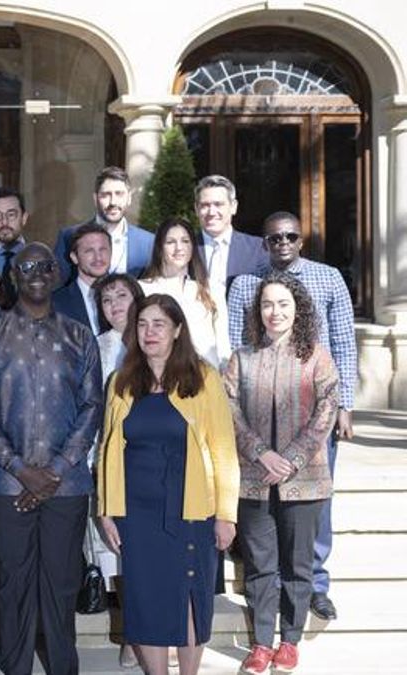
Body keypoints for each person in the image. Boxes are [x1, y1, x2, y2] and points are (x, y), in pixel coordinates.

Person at [0, 243, 103, 675]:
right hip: (6, 485)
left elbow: (92, 407)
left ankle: (63, 667)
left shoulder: (80, 335)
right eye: (26, 267)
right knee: (12, 587)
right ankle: (16, 666)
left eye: (45, 266)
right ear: (13, 277)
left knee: (62, 585)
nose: (37, 273)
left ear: (58, 272)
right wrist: (22, 470)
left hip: (67, 486)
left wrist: (55, 471)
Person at [97, 294, 240, 675]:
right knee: (145, 599)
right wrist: (108, 510)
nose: (149, 332)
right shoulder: (121, 381)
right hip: (137, 512)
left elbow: (224, 449)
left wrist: (226, 515)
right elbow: (108, 449)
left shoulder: (203, 378)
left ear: (178, 330)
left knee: (188, 595)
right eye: (142, 324)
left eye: (159, 324)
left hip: (191, 507)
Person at [226, 211, 357, 620]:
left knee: (314, 503)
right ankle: (271, 585)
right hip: (259, 418)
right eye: (274, 238)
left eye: (290, 236)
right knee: (264, 507)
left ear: (301, 240)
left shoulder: (329, 277)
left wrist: (345, 406)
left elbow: (343, 340)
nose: (282, 243)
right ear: (263, 244)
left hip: (314, 413)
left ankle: (314, 584)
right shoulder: (246, 285)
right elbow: (236, 345)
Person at [224, 272, 339, 675]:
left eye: (283, 304)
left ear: (298, 309)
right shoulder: (242, 357)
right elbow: (229, 409)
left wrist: (289, 457)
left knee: (298, 565)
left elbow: (327, 409)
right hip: (254, 480)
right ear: (258, 310)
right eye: (268, 304)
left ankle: (289, 641)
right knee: (259, 566)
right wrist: (260, 453)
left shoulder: (317, 356)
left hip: (304, 479)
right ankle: (260, 643)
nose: (275, 312)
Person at [88, 272, 145, 668]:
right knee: (120, 553)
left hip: (154, 462)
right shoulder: (97, 347)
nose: (114, 306)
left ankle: (155, 627)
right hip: (110, 459)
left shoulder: (157, 339)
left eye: (121, 296)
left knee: (150, 553)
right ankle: (131, 632)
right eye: (106, 301)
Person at [138, 218, 231, 369]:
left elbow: (223, 343)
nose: (179, 248)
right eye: (170, 242)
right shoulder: (143, 289)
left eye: (185, 241)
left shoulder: (211, 288)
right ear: (160, 247)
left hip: (206, 377)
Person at [54, 166, 154, 283]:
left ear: (129, 198)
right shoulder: (68, 237)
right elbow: (59, 287)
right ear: (95, 199)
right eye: (106, 195)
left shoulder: (149, 243)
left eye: (119, 194)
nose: (113, 202)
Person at [195, 175, 268, 293]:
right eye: (205, 205)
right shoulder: (185, 248)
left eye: (218, 204)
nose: (211, 212)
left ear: (233, 207)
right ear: (196, 209)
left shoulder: (258, 248)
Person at [53, 222, 111, 333]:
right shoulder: (55, 303)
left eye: (103, 250)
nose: (98, 257)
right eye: (89, 251)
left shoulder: (128, 297)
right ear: (74, 257)